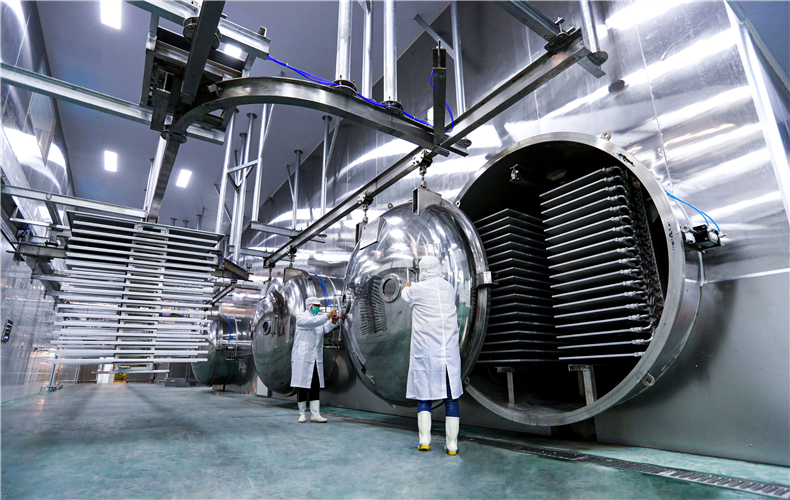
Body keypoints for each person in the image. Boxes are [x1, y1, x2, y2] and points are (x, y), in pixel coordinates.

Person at [401, 256, 462, 455]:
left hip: (426, 353)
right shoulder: (448, 288)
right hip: (447, 352)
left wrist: (407, 285)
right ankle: (452, 445)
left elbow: (404, 294)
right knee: (451, 398)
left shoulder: (417, 289)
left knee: (424, 396)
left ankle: (424, 440)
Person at [291, 297, 339, 423]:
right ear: (309, 306)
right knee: (302, 385)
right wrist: (327, 316)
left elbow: (325, 328)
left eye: (318, 306)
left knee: (315, 385)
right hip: (303, 357)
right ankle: (302, 413)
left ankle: (315, 414)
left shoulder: (319, 319)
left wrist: (333, 322)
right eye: (315, 306)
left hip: (315, 358)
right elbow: (312, 322)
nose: (317, 308)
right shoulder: (301, 317)